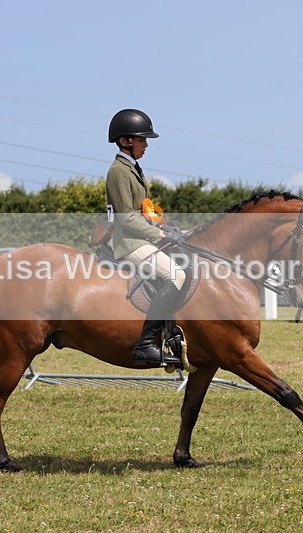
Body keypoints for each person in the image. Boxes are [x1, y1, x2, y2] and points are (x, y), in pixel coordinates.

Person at [105, 109, 186, 367]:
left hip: (142, 239)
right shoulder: (118, 171)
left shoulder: (133, 169)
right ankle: (147, 345)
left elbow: (143, 211)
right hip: (129, 243)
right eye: (142, 140)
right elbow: (125, 218)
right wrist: (159, 234)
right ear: (125, 141)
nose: (146, 145)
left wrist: (165, 225)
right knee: (176, 275)